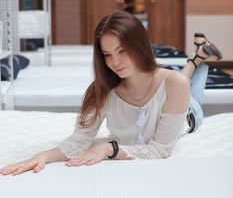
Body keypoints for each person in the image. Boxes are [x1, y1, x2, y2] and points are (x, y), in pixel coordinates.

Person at [0, 11, 222, 175]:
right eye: (107, 54)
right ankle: (198, 54)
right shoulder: (102, 90)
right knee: (179, 80)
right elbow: (79, 142)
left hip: (188, 115)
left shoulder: (175, 85)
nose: (114, 62)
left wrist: (109, 148)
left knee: (186, 86)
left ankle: (197, 59)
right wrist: (45, 156)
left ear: (139, 46)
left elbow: (160, 150)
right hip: (169, 89)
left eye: (122, 51)